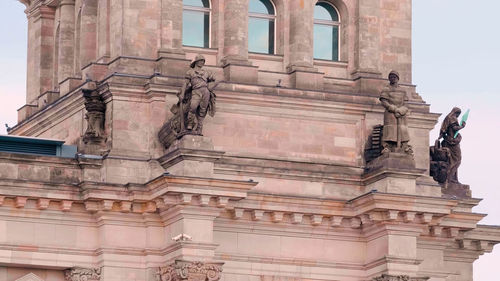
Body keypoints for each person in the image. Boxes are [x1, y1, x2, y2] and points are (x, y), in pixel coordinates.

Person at [171, 54, 218, 135]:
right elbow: (185, 84)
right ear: (196, 62)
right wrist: (182, 94)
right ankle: (190, 123)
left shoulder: (206, 72)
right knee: (193, 107)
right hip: (196, 91)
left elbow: (215, 79)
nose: (202, 62)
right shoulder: (190, 72)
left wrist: (211, 86)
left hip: (206, 92)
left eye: (203, 61)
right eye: (200, 61)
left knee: (202, 111)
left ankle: (199, 128)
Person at [379, 70, 412, 155]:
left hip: (401, 113)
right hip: (390, 112)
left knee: (402, 130)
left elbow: (406, 102)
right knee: (390, 130)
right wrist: (392, 108)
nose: (393, 78)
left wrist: (402, 109)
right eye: (391, 77)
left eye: (394, 77)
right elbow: (383, 101)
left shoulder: (402, 90)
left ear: (397, 78)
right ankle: (388, 146)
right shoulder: (386, 89)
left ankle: (404, 145)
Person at [439, 107, 466, 183]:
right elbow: (454, 128)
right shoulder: (452, 118)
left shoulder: (448, 117)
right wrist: (462, 126)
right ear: (456, 113)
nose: (458, 116)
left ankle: (452, 178)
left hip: (449, 140)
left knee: (452, 159)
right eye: (458, 114)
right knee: (457, 159)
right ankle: (449, 177)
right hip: (452, 141)